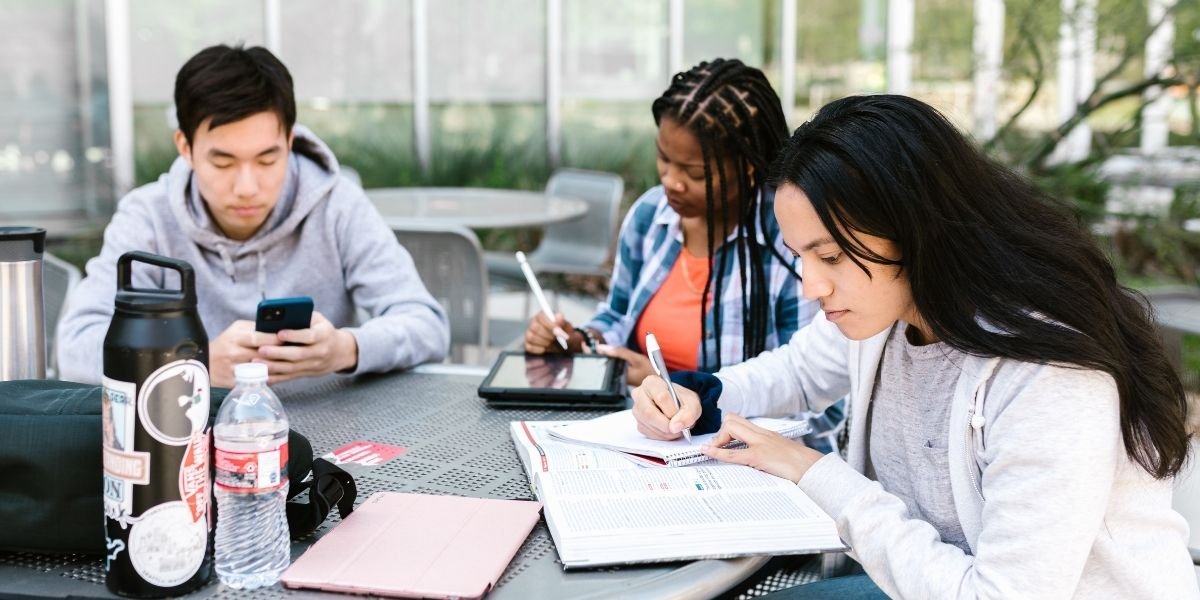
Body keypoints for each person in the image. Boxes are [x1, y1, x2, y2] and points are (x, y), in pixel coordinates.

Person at [632, 94, 1198, 598]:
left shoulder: (1047, 375)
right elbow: (800, 371)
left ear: (915, 226)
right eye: (800, 256)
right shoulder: (891, 304)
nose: (811, 285)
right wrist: (696, 394)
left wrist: (815, 473)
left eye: (829, 256)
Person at [58, 45, 449, 388]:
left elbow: (427, 324)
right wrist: (194, 365)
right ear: (186, 147)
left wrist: (345, 349)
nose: (247, 186)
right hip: (191, 440)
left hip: (332, 437)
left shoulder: (337, 205)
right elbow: (75, 346)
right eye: (223, 162)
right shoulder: (148, 218)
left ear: (290, 141)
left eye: (267, 159)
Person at [523, 58, 843, 451]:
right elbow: (618, 315)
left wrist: (679, 387)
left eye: (693, 172)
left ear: (745, 166)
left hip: (749, 460)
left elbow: (815, 391)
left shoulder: (788, 237)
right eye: (664, 159)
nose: (670, 181)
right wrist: (581, 343)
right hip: (645, 442)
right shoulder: (649, 217)